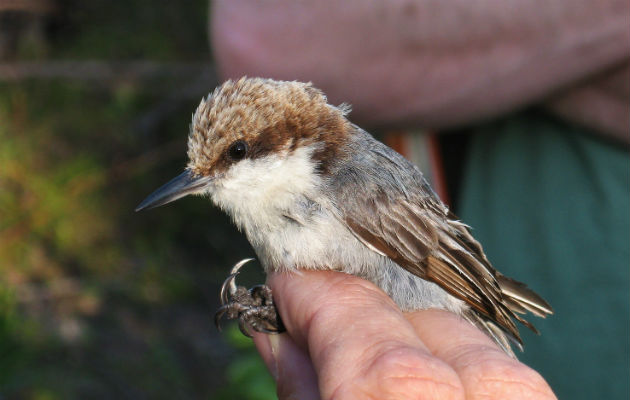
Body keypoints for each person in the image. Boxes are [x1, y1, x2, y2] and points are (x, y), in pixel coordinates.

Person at [210, 1, 630, 399]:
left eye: (235, 156)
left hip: (455, 297)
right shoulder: (278, 203)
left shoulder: (349, 182)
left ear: (287, 142)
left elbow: (434, 261)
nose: (208, 181)